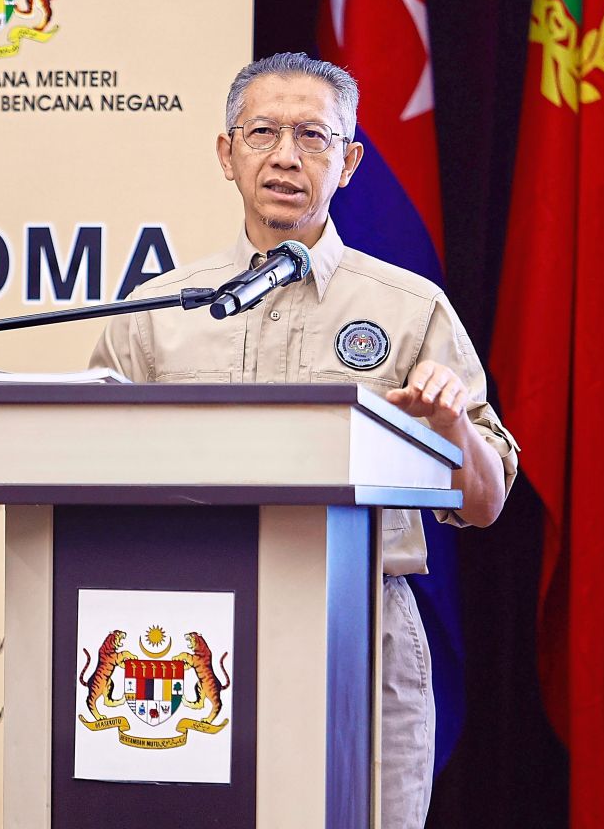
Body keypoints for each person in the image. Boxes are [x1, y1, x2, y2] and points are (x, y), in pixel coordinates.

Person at [91, 52, 518, 829]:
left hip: (358, 627)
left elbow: (485, 504)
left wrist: (451, 424)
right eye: (262, 132)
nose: (286, 155)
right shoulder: (159, 309)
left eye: (313, 136)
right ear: (227, 153)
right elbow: (84, 470)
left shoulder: (408, 308)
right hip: (184, 634)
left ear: (349, 161)